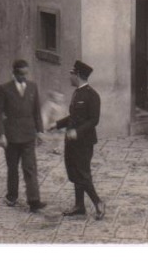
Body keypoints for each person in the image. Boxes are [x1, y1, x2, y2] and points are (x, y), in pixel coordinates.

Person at [0, 59, 44, 211]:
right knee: (13, 168)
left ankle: (34, 201)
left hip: (28, 135)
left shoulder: (33, 88)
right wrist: (1, 134)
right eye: (21, 74)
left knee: (30, 168)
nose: (24, 77)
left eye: (26, 74)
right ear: (14, 73)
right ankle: (12, 196)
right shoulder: (5, 89)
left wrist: (39, 131)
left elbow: (37, 111)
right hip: (12, 136)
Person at [57, 60, 104, 218]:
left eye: (72, 73)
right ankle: (79, 206)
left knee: (83, 173)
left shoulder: (92, 95)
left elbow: (93, 120)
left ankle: (98, 202)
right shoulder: (77, 92)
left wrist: (77, 132)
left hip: (83, 141)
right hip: (71, 141)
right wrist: (57, 125)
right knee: (74, 172)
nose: (70, 76)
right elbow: (73, 116)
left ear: (77, 75)